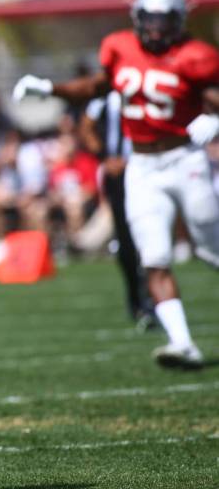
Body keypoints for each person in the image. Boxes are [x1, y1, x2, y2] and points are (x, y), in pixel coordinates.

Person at [12, 0, 219, 369]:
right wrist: (50, 88)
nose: (156, 30)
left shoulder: (196, 56)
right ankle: (183, 343)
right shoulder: (120, 49)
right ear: (137, 19)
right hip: (142, 166)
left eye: (165, 21)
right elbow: (95, 87)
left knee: (210, 249)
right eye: (150, 21)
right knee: (153, 257)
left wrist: (215, 119)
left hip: (185, 160)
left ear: (180, 21)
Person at [79, 90, 156, 330]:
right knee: (125, 240)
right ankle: (137, 300)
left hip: (147, 169)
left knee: (151, 238)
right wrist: (105, 157)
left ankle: (154, 299)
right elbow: (87, 127)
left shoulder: (145, 88)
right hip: (118, 176)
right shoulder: (103, 97)